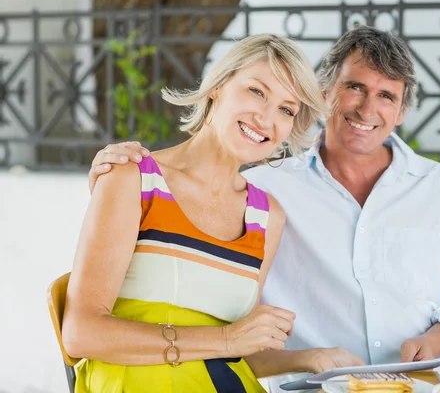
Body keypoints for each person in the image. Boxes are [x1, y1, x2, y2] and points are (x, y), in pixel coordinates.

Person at [87, 26, 440, 393]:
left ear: (402, 111)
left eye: (387, 96)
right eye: (354, 87)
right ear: (323, 94)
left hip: (418, 384)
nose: (367, 109)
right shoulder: (266, 189)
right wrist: (117, 172)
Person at [62, 33, 365, 393]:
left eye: (286, 109)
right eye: (257, 91)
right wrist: (226, 340)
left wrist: (312, 358)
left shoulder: (267, 216)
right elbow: (81, 333)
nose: (267, 118)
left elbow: (236, 350)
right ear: (218, 86)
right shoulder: (132, 178)